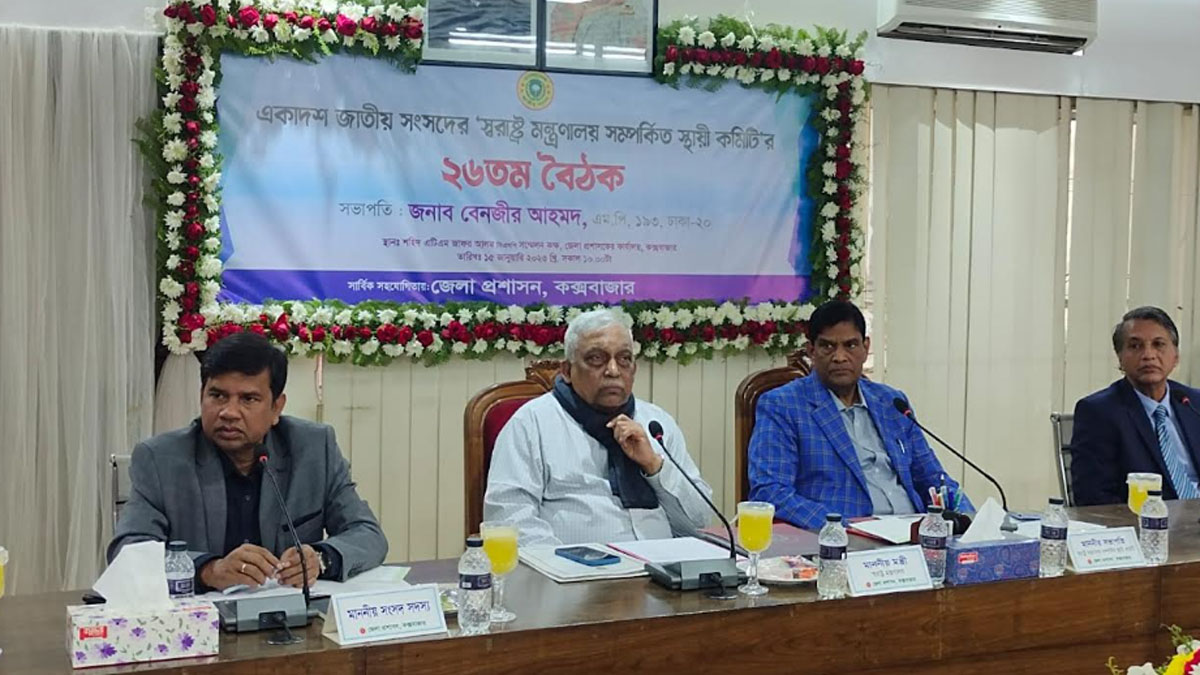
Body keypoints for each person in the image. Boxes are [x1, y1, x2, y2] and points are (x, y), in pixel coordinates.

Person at [108, 332, 387, 591]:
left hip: (291, 616)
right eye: (217, 395)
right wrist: (208, 570)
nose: (229, 412)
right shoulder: (160, 459)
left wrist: (321, 558)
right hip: (201, 619)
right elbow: (128, 552)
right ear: (201, 396)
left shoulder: (314, 448)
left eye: (248, 399)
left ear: (276, 407)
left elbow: (368, 535)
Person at [484, 309, 712, 546]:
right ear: (567, 371)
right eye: (596, 358)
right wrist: (566, 563)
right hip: (571, 566)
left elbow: (698, 522)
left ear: (633, 369)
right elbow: (508, 519)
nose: (613, 370)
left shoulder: (656, 425)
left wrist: (654, 466)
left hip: (663, 563)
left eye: (624, 359)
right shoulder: (532, 423)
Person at [748, 299, 970, 530]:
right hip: (844, 538)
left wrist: (968, 519)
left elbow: (934, 479)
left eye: (850, 345)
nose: (840, 357)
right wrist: (839, 529)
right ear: (811, 350)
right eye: (827, 346)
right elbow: (770, 492)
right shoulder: (783, 405)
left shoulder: (891, 403)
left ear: (865, 347)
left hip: (914, 534)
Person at [1070, 306, 1200, 506]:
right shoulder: (1098, 412)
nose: (1148, 355)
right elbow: (1094, 497)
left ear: (1175, 356)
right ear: (1120, 358)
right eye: (1135, 346)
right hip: (1149, 520)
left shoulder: (1193, 403)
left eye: (1158, 344)